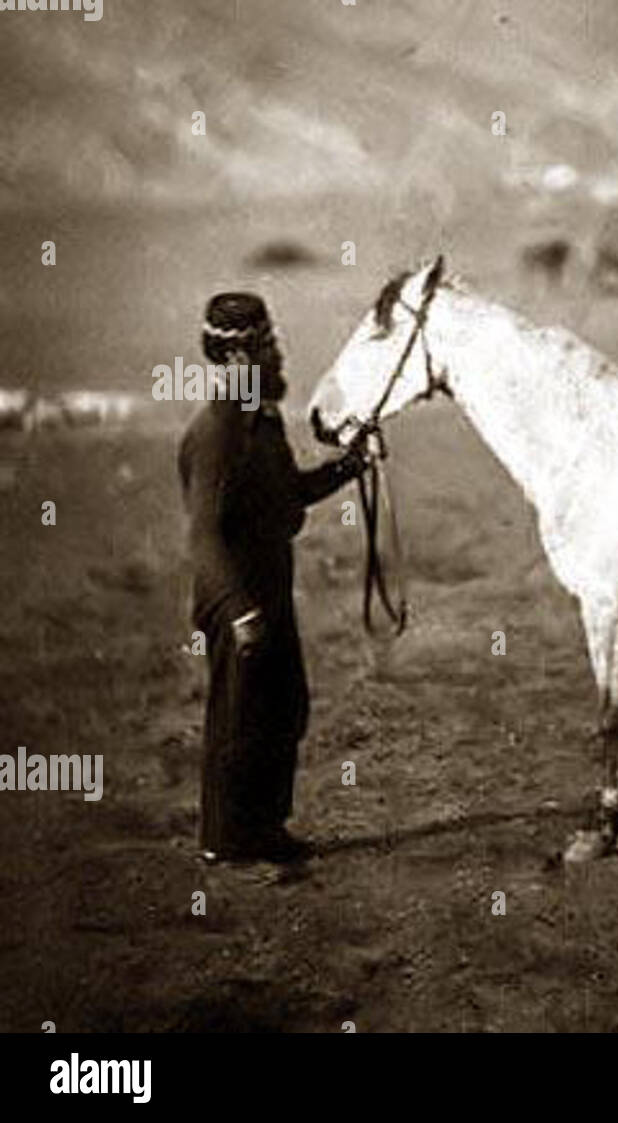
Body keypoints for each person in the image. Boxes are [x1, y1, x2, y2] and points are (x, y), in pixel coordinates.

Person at [179, 293, 369, 863]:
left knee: (284, 705)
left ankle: (264, 828)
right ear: (237, 359)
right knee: (237, 716)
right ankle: (224, 841)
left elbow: (290, 494)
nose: (279, 355)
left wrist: (350, 464)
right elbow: (203, 536)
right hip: (235, 596)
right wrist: (238, 610)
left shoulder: (260, 422)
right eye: (266, 347)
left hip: (268, 589)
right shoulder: (216, 433)